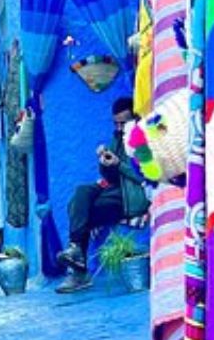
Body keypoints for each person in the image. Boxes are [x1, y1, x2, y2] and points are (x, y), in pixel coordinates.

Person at [56, 96, 149, 293]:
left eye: (123, 123)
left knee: (84, 211)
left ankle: (78, 271)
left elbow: (145, 174)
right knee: (80, 195)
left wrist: (119, 164)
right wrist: (104, 161)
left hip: (131, 195)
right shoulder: (117, 139)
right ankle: (75, 248)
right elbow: (111, 175)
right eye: (116, 123)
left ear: (135, 119)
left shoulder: (143, 139)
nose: (119, 128)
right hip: (115, 189)